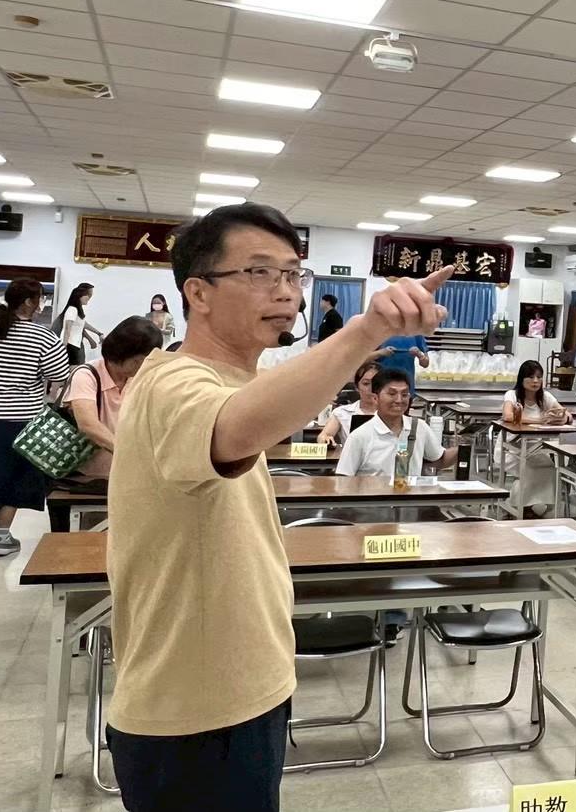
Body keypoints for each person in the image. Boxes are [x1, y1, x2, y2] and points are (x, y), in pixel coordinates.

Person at [104, 202, 454, 811]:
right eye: (259, 272)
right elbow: (235, 428)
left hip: (243, 691)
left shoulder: (233, 378)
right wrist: (366, 331)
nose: (285, 291)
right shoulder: (172, 382)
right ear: (197, 293)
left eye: (293, 273)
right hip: (195, 712)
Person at [0, 278, 71, 556]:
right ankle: (2, 537)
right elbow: (60, 374)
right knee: (15, 477)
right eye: (40, 298)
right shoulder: (42, 336)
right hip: (22, 419)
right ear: (30, 302)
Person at [47, 316, 164, 533]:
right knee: (84, 539)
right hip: (85, 479)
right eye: (140, 360)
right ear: (124, 354)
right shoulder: (87, 375)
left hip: (125, 477)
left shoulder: (138, 380)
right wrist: (129, 454)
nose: (143, 366)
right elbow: (88, 425)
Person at [335, 368, 447, 478]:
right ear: (375, 398)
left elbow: (439, 458)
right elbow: (343, 478)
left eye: (404, 394)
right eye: (392, 394)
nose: (399, 400)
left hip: (408, 490)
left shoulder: (419, 427)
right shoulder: (359, 436)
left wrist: (458, 449)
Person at [498, 359, 567, 516]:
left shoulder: (545, 396)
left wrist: (559, 418)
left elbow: (564, 413)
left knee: (549, 468)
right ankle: (516, 507)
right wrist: (538, 420)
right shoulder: (512, 395)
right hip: (511, 449)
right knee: (529, 470)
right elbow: (507, 416)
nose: (535, 381)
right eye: (531, 377)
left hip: (535, 449)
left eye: (539, 377)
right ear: (522, 379)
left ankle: (530, 507)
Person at [316, 361, 379, 447]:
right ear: (357, 387)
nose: (371, 388)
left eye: (376, 383)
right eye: (366, 384)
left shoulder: (392, 412)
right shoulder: (342, 412)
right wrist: (325, 438)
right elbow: (324, 435)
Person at [58, 283, 102, 366]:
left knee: (73, 367)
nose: (89, 298)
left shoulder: (77, 311)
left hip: (74, 344)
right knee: (72, 368)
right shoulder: (72, 309)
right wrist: (64, 347)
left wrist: (98, 333)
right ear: (80, 295)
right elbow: (67, 328)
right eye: (88, 295)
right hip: (70, 344)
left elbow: (83, 324)